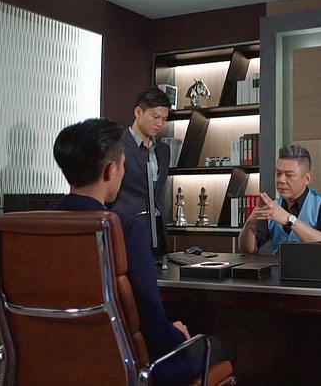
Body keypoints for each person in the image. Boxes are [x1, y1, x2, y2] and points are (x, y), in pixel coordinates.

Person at [52, 118, 233, 385]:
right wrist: (177, 335)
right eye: (123, 165)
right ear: (111, 170)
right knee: (219, 345)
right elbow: (149, 317)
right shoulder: (125, 229)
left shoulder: (34, 226)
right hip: (127, 365)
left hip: (55, 358)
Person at [240, 144, 321, 255]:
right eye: (278, 174)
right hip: (278, 265)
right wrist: (250, 223)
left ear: (307, 178)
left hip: (314, 265)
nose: (281, 180)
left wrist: (289, 220)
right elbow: (248, 250)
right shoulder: (272, 207)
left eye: (289, 175)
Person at [111, 86, 172, 255]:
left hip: (158, 228)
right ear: (138, 112)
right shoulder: (117, 146)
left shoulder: (163, 150)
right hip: (128, 227)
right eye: (155, 117)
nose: (160, 124)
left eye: (164, 119)